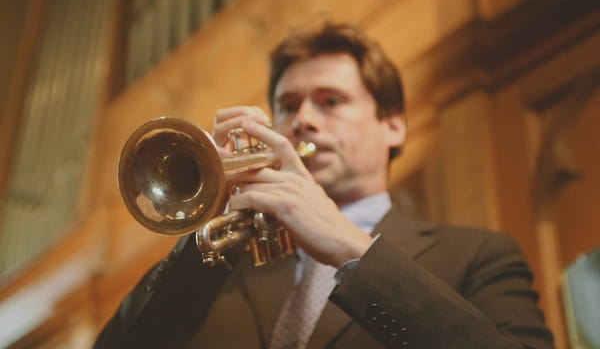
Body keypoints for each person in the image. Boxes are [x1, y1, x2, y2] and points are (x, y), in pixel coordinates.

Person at [94, 23, 554, 348]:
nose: (304, 121)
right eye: (288, 106)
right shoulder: (223, 266)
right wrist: (205, 230)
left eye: (331, 101)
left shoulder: (478, 256)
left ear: (393, 126)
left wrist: (352, 248)